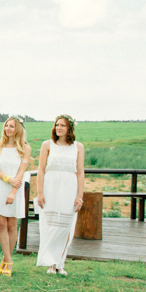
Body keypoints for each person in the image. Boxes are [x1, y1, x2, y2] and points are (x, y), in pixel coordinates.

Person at [36, 115, 85, 276]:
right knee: (50, 225)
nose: (59, 128)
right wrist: (40, 193)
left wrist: (80, 196)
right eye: (57, 125)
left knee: (66, 226)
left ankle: (60, 263)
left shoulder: (78, 147)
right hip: (51, 186)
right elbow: (41, 170)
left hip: (69, 187)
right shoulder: (47, 145)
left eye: (62, 125)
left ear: (69, 128)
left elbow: (80, 172)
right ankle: (50, 262)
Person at [0, 116, 31, 277]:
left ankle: (6, 260)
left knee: (12, 225)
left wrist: (13, 190)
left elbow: (21, 171)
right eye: (6, 126)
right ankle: (8, 261)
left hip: (16, 188)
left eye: (11, 126)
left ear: (18, 128)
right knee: (1, 224)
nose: (8, 129)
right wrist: (7, 179)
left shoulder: (25, 148)